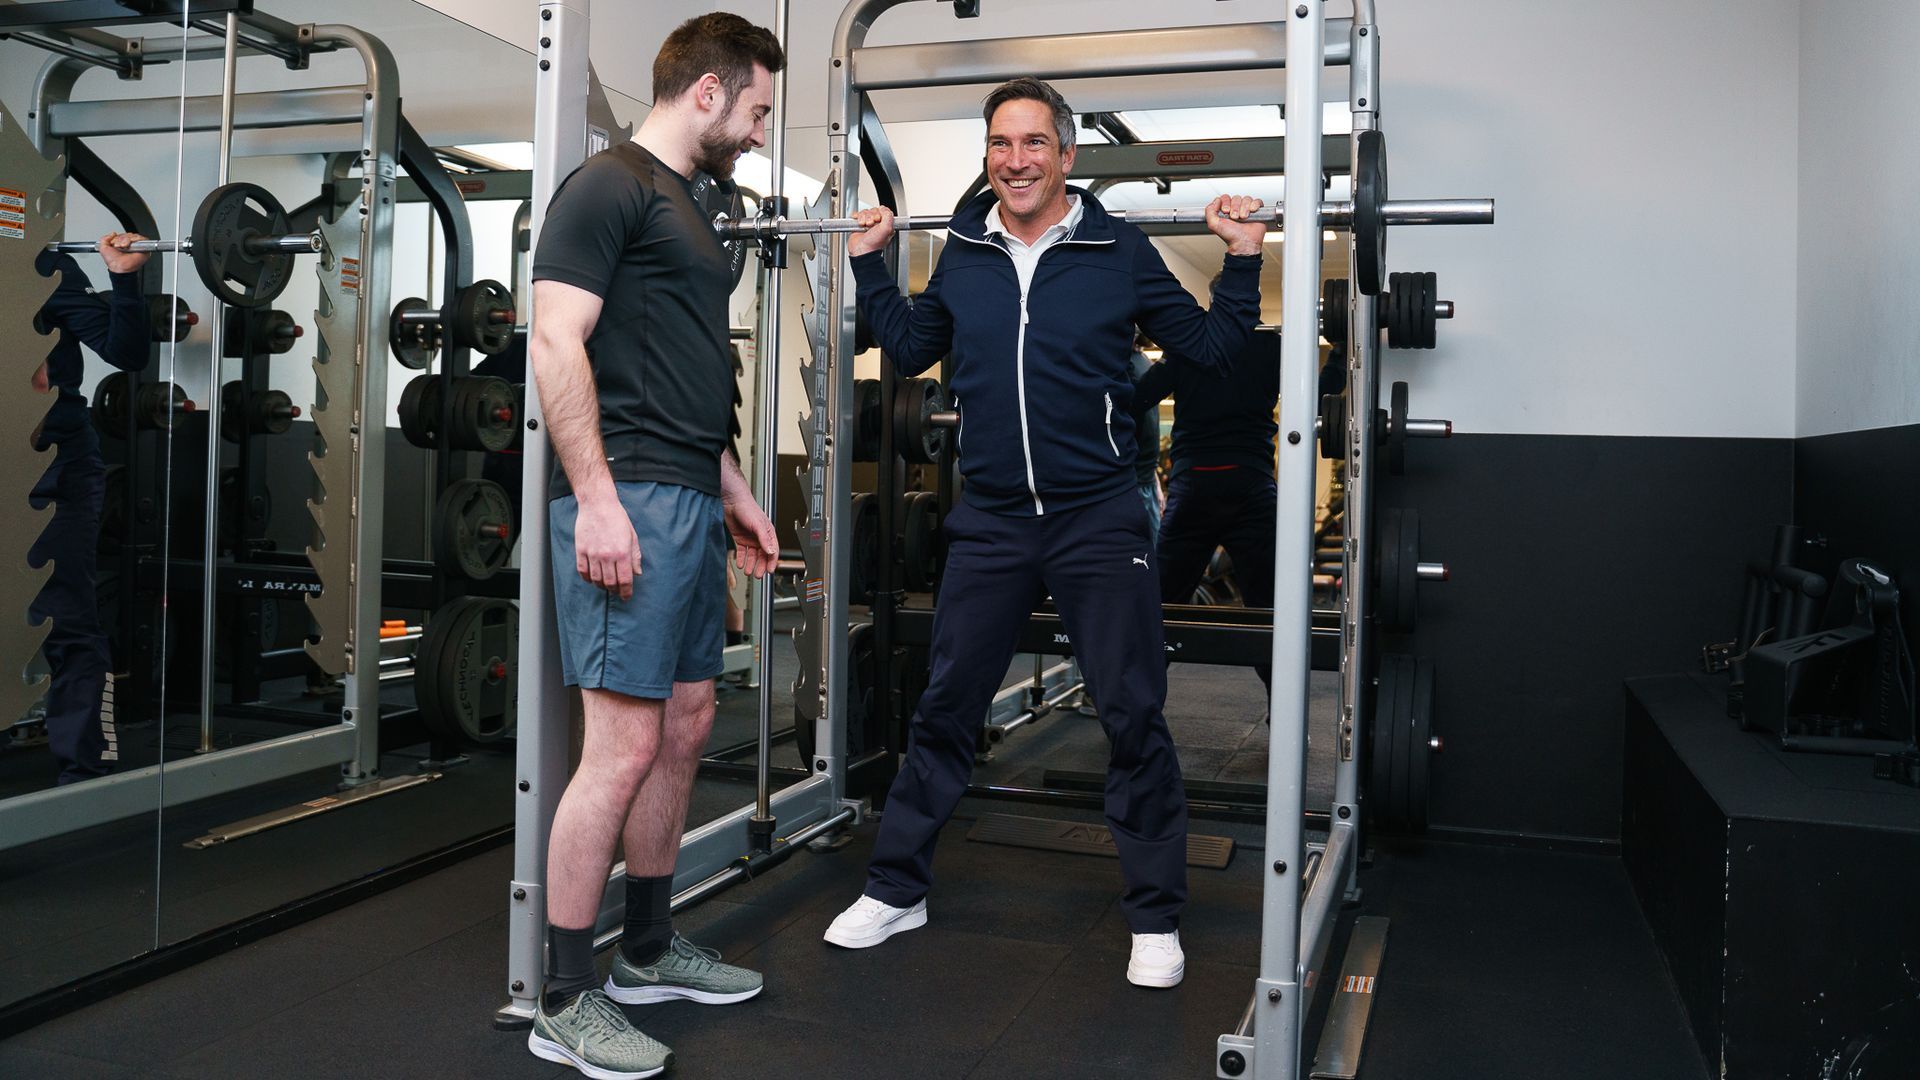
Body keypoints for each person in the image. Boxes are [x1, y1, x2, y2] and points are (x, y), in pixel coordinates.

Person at [821, 77, 1267, 989]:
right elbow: (909, 350)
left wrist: (1246, 257)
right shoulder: (965, 250)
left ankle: (1153, 917)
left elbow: (1214, 349)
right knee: (945, 704)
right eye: (1000, 144)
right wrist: (872, 263)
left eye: (1033, 143)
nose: (1015, 160)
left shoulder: (1119, 249)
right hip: (990, 518)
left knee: (1131, 710)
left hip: (1097, 515)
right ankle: (898, 887)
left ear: (1067, 155)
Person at [525, 13, 783, 1079]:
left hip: (682, 494)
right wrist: (595, 500)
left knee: (686, 724)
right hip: (621, 496)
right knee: (620, 746)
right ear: (710, 93)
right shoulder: (609, 188)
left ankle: (645, 945)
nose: (761, 133)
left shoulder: (693, 208)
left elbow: (678, 375)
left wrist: (734, 492)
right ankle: (562, 997)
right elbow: (555, 341)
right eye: (759, 110)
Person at [12, 236, 151, 784]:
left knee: (65, 614)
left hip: (55, 465)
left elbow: (127, 352)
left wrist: (123, 279)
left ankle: (86, 771)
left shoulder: (45, 265)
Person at [1136, 319, 1282, 692]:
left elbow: (1138, 398)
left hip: (1194, 486)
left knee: (1162, 605)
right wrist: (1338, 352)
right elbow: (1320, 392)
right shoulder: (1272, 346)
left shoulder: (1189, 345)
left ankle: (1136, 711)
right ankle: (1282, 716)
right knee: (1269, 610)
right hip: (1253, 486)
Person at [1128, 331, 1165, 544]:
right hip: (1131, 481)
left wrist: (1155, 480)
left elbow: (1149, 427)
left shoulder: (1142, 360)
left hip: (1146, 479)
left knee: (1154, 557)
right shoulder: (1120, 365)